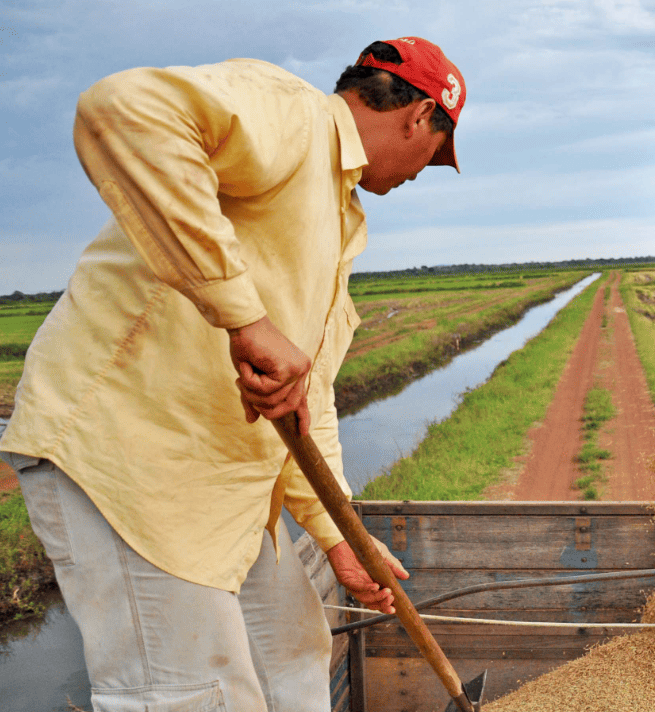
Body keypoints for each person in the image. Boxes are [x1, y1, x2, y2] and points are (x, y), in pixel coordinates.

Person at [0, 36, 465, 711]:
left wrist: (340, 539)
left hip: (228, 482)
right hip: (134, 459)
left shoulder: (335, 215)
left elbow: (312, 405)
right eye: (436, 154)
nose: (424, 172)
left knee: (295, 659)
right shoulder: (294, 115)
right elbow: (122, 109)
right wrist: (245, 318)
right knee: (190, 693)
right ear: (420, 114)